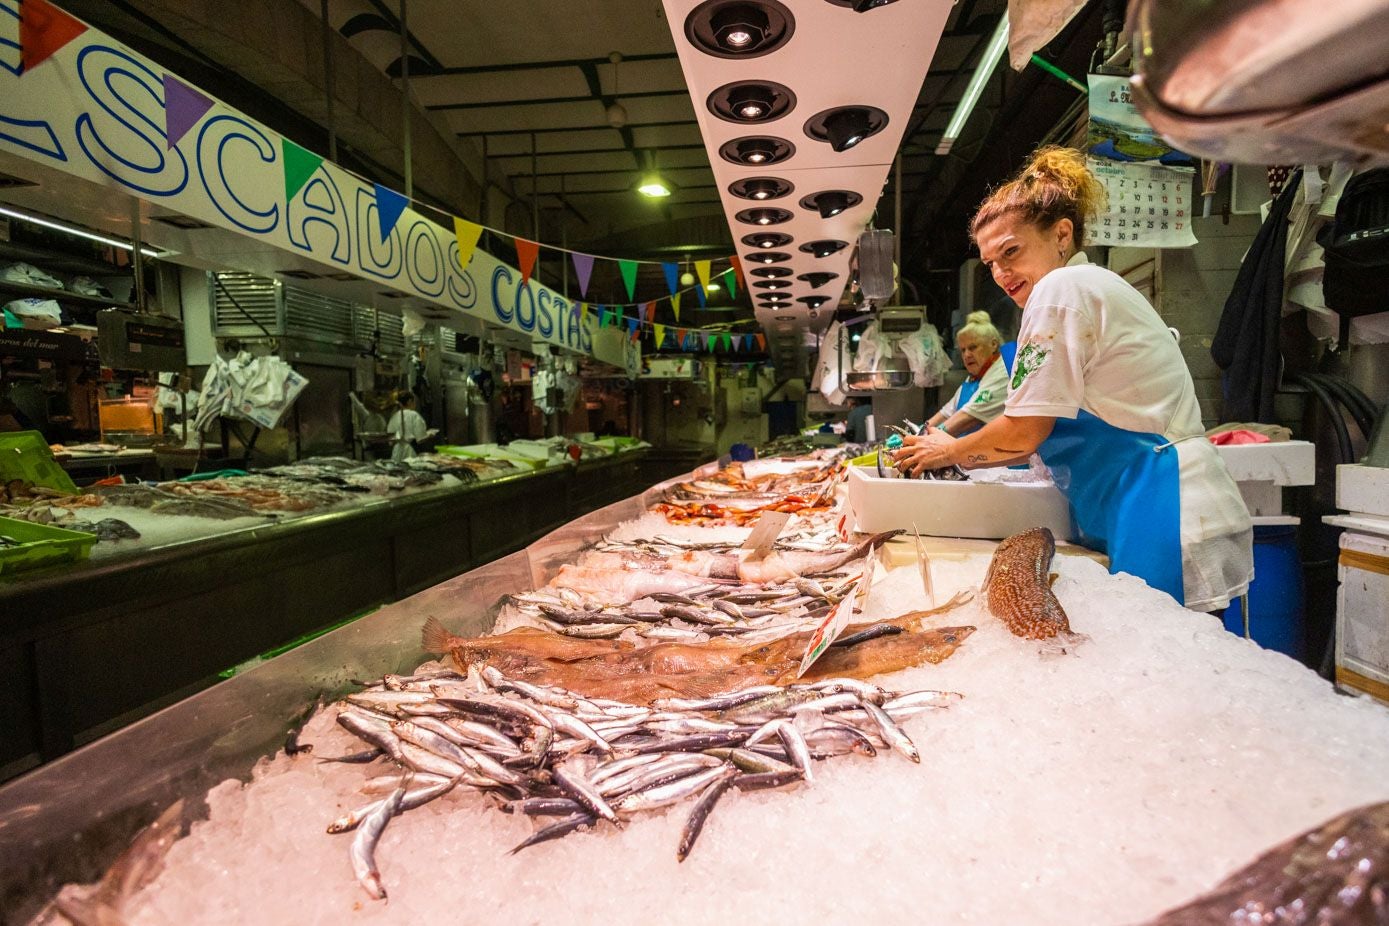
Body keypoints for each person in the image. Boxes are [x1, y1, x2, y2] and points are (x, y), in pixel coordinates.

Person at [893, 146, 1252, 612]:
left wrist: (948, 451)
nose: (1001, 273)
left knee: (1171, 677)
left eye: (1011, 251)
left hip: (1167, 507)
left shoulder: (1061, 290)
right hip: (1156, 503)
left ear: (1062, 234)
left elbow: (1024, 432)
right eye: (990, 263)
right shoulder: (1088, 285)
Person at [927, 311, 1016, 436]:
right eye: (963, 350)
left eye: (973, 347)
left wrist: (925, 438)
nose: (967, 355)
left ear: (993, 344)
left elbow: (968, 417)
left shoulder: (1004, 371)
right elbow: (947, 413)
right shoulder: (973, 378)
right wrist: (915, 432)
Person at [386, 391, 428, 462]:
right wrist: (429, 435)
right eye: (414, 402)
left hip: (396, 452)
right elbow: (420, 439)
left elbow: (390, 441)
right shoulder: (414, 415)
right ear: (409, 401)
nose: (415, 404)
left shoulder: (394, 416)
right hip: (410, 452)